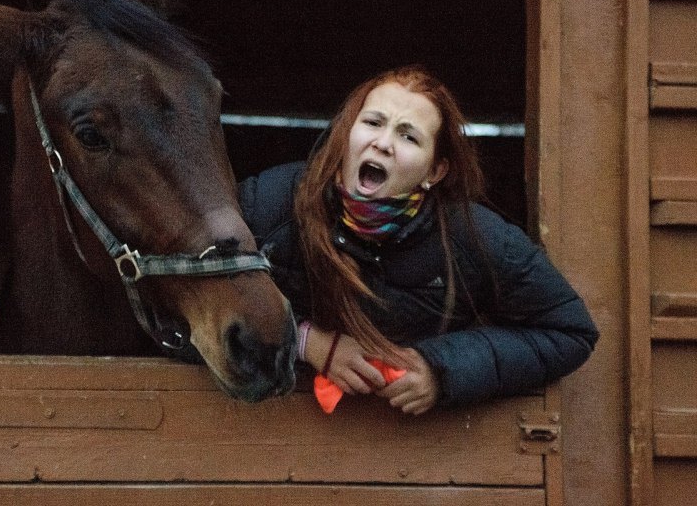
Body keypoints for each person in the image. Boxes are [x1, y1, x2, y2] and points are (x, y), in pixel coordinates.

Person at [238, 65, 598, 415]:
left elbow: (569, 331)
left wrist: (441, 371)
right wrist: (304, 342)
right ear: (346, 134)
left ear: (434, 171)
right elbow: (186, 296)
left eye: (408, 136)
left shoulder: (476, 238)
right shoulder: (270, 204)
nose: (383, 143)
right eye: (373, 123)